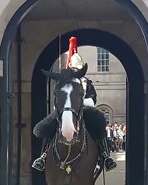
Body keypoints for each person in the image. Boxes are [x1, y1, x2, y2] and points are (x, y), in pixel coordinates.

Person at [32, 36, 117, 172]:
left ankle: (105, 155)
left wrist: (80, 102)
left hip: (84, 109)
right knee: (45, 127)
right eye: (74, 68)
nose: (76, 70)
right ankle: (43, 156)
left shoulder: (87, 82)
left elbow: (92, 98)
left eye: (79, 68)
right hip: (65, 109)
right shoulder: (64, 81)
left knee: (100, 121)